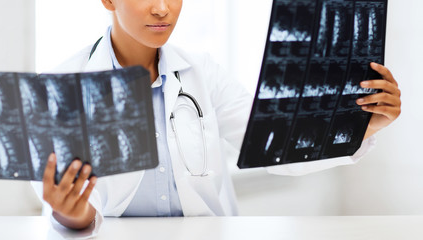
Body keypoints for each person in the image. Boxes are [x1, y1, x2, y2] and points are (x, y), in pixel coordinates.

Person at [34, 0, 402, 230]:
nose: (163, 8)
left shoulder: (202, 72)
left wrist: (362, 125)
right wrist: (74, 216)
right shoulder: (63, 86)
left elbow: (276, 144)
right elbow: (69, 201)